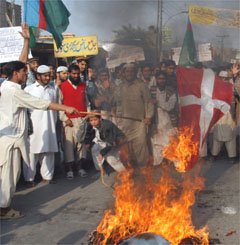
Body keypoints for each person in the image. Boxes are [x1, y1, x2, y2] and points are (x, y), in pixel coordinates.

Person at [0, 61, 80, 219]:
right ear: (16, 73)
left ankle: (4, 204)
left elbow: (20, 61)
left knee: (9, 174)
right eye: (24, 72)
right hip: (12, 140)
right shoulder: (15, 92)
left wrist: (26, 41)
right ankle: (4, 209)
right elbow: (41, 104)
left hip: (11, 139)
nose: (26, 74)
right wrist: (66, 108)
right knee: (9, 175)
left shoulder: (7, 85)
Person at [112, 63, 154, 167]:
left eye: (132, 71)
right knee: (126, 150)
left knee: (141, 148)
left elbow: (148, 102)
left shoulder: (142, 86)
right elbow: (113, 103)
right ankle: (130, 173)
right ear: (124, 73)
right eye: (127, 71)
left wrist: (148, 116)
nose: (129, 73)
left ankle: (144, 171)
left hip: (139, 124)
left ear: (135, 72)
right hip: (123, 124)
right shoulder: (119, 87)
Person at [23, 65, 58, 186]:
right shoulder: (29, 89)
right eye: (45, 75)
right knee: (32, 153)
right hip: (34, 126)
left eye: (49, 75)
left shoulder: (52, 90)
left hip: (49, 125)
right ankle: (29, 179)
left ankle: (47, 176)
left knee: (48, 152)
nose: (48, 77)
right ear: (38, 76)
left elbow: (56, 108)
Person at [59, 64, 89, 179]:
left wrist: (88, 115)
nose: (76, 76)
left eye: (78, 74)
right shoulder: (62, 87)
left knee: (81, 144)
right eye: (74, 74)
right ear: (69, 74)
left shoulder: (83, 86)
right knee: (68, 145)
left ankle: (80, 167)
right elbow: (59, 104)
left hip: (81, 118)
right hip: (68, 120)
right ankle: (69, 170)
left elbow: (86, 102)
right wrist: (65, 119)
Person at [211, 70, 237, 163]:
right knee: (217, 136)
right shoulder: (214, 88)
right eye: (222, 78)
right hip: (218, 115)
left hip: (229, 115)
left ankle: (232, 156)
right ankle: (214, 155)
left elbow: (234, 101)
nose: (223, 80)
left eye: (225, 78)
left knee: (230, 136)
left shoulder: (232, 88)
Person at [151, 71, 177, 165]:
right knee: (156, 145)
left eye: (163, 79)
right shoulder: (151, 90)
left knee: (170, 143)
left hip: (168, 122)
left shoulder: (171, 91)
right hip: (155, 122)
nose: (161, 81)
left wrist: (157, 102)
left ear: (166, 80)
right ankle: (158, 165)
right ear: (156, 79)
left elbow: (170, 106)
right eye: (159, 78)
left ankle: (176, 166)